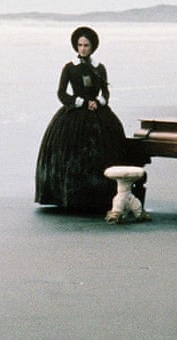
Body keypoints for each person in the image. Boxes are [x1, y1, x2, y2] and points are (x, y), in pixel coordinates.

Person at [35, 26, 127, 213]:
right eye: (80, 45)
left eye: (86, 45)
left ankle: (100, 196)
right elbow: (61, 93)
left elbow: (106, 92)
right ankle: (71, 197)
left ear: (92, 47)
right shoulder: (69, 67)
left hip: (98, 113)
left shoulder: (99, 67)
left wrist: (99, 102)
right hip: (74, 115)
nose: (83, 49)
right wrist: (80, 102)